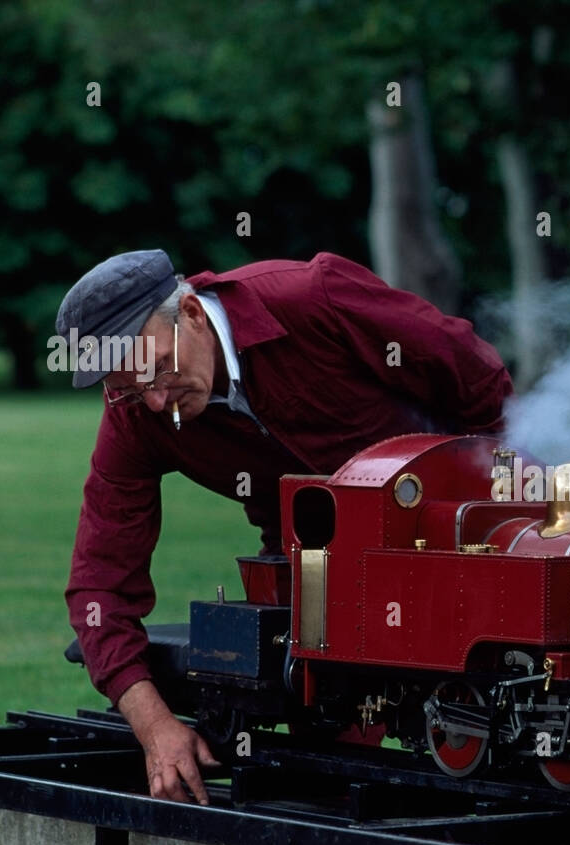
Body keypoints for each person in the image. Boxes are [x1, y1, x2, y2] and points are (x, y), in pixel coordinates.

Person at [58, 250, 513, 805]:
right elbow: (98, 586)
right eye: (131, 388)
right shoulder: (136, 415)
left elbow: (475, 376)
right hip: (317, 579)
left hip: (457, 534)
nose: (155, 400)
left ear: (194, 315)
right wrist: (155, 727)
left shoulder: (315, 296)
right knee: (341, 787)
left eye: (157, 368)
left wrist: (510, 504)